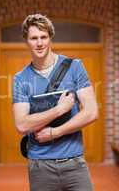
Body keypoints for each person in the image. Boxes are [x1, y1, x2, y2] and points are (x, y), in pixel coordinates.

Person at [13, 13, 98, 191]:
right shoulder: (20, 79)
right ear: (26, 41)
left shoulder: (75, 67)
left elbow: (91, 112)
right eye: (34, 38)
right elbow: (21, 124)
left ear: (50, 37)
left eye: (43, 37)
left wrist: (55, 132)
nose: (39, 43)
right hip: (40, 166)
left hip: (74, 163)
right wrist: (59, 110)